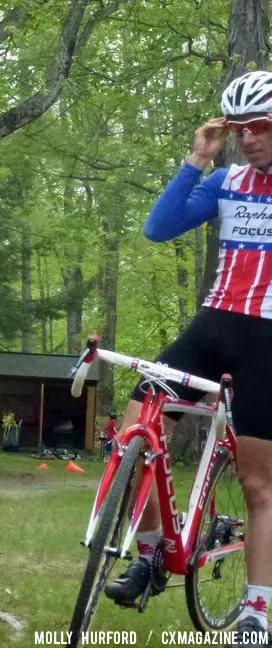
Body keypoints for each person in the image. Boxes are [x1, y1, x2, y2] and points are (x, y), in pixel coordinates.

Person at [101, 71, 272, 646]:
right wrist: (198, 158)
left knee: (258, 487)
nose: (249, 139)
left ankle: (256, 609)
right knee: (134, 439)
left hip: (268, 343)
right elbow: (159, 228)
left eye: (261, 128)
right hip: (211, 328)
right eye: (240, 129)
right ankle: (149, 555)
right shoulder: (228, 180)